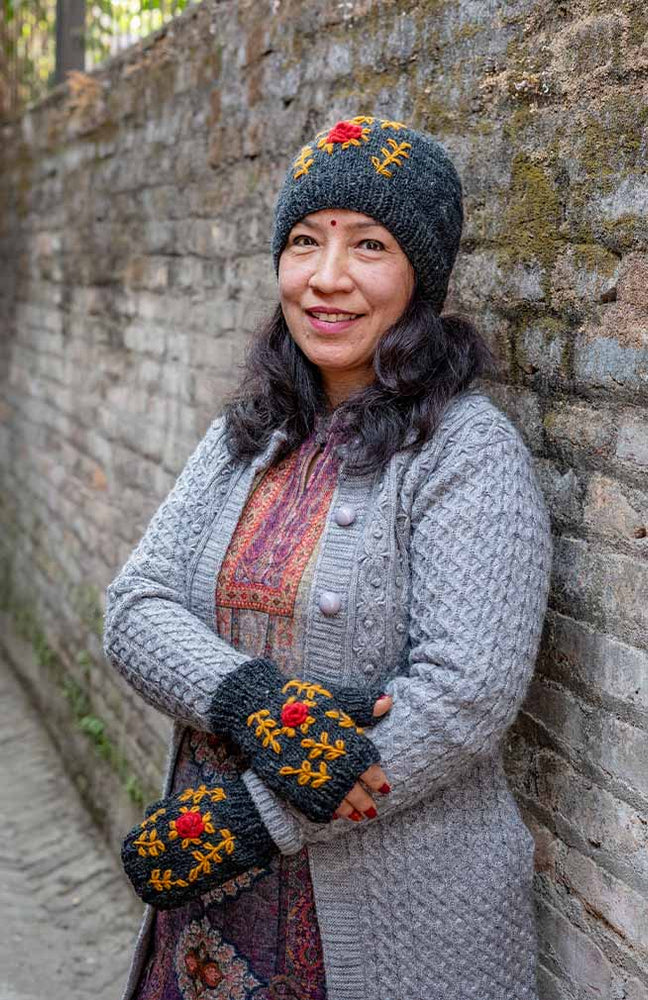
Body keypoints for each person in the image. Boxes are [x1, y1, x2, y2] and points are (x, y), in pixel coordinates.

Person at [104, 113, 553, 1000]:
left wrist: (257, 818)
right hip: (214, 909)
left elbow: (466, 696)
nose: (327, 278)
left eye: (369, 246)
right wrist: (255, 701)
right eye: (304, 242)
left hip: (385, 912)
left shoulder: (467, 452)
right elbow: (136, 606)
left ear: (421, 276)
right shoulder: (248, 435)